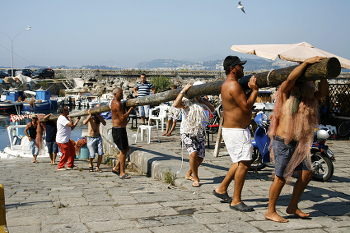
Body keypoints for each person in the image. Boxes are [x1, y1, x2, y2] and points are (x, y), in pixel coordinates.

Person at [265, 56, 328, 223]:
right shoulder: (286, 93)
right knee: (281, 177)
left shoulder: (309, 100)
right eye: (308, 84)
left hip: (300, 144)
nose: (310, 87)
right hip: (283, 142)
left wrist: (323, 73)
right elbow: (291, 78)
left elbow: (322, 92)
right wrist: (306, 63)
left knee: (306, 175)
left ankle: (292, 205)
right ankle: (270, 211)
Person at [213, 56, 258, 212]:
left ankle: (221, 189)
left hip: (234, 129)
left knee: (238, 162)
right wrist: (255, 91)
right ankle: (236, 200)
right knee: (244, 164)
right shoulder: (233, 85)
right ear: (232, 68)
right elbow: (246, 108)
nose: (243, 69)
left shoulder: (228, 84)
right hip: (237, 131)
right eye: (240, 66)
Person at [173, 81, 214, 187]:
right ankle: (196, 178)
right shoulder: (187, 101)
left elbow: (212, 109)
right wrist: (183, 91)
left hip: (198, 131)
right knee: (193, 153)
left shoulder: (201, 101)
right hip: (186, 131)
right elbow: (176, 104)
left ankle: (189, 173)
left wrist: (203, 101)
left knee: (200, 157)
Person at [111, 87, 134, 179]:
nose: (122, 95)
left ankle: (116, 168)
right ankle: (122, 172)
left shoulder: (113, 102)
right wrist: (130, 109)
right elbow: (122, 118)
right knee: (124, 151)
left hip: (118, 129)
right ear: (115, 94)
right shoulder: (117, 104)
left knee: (125, 149)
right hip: (119, 129)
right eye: (120, 93)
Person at [83, 104, 106, 172]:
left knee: (100, 153)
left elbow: (104, 123)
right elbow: (84, 122)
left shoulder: (99, 117)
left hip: (98, 137)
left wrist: (98, 116)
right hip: (90, 137)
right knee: (92, 154)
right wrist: (89, 115)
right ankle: (90, 164)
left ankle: (97, 167)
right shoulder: (90, 117)